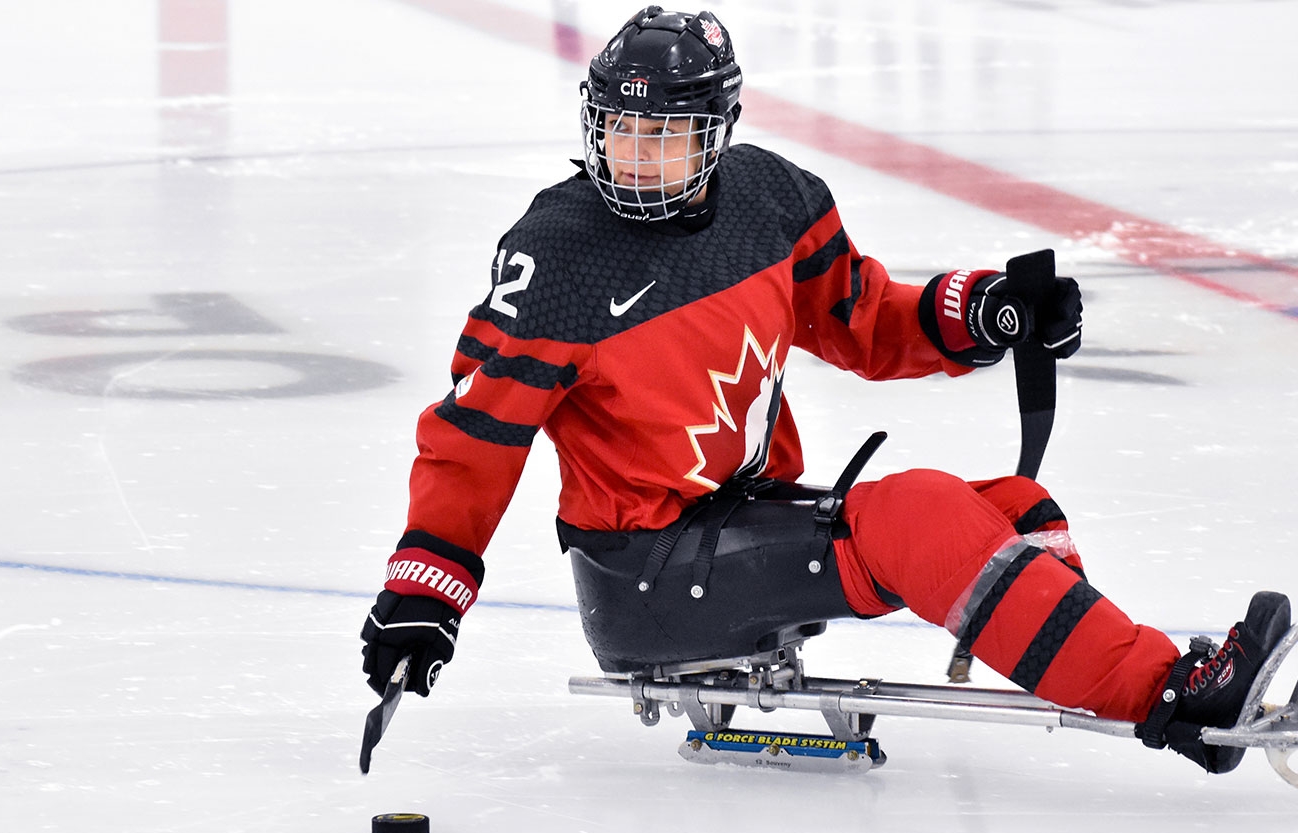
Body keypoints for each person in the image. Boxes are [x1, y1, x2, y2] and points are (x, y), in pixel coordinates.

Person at [361, 6, 1290, 775]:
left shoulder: (770, 200)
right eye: (618, 130)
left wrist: (984, 313)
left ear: (716, 134)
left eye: (665, 135)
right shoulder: (555, 257)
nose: (635, 157)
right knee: (920, 515)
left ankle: (1079, 655)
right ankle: (1170, 689)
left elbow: (863, 319)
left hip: (740, 518)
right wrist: (424, 591)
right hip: (644, 574)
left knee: (1010, 508)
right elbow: (474, 435)